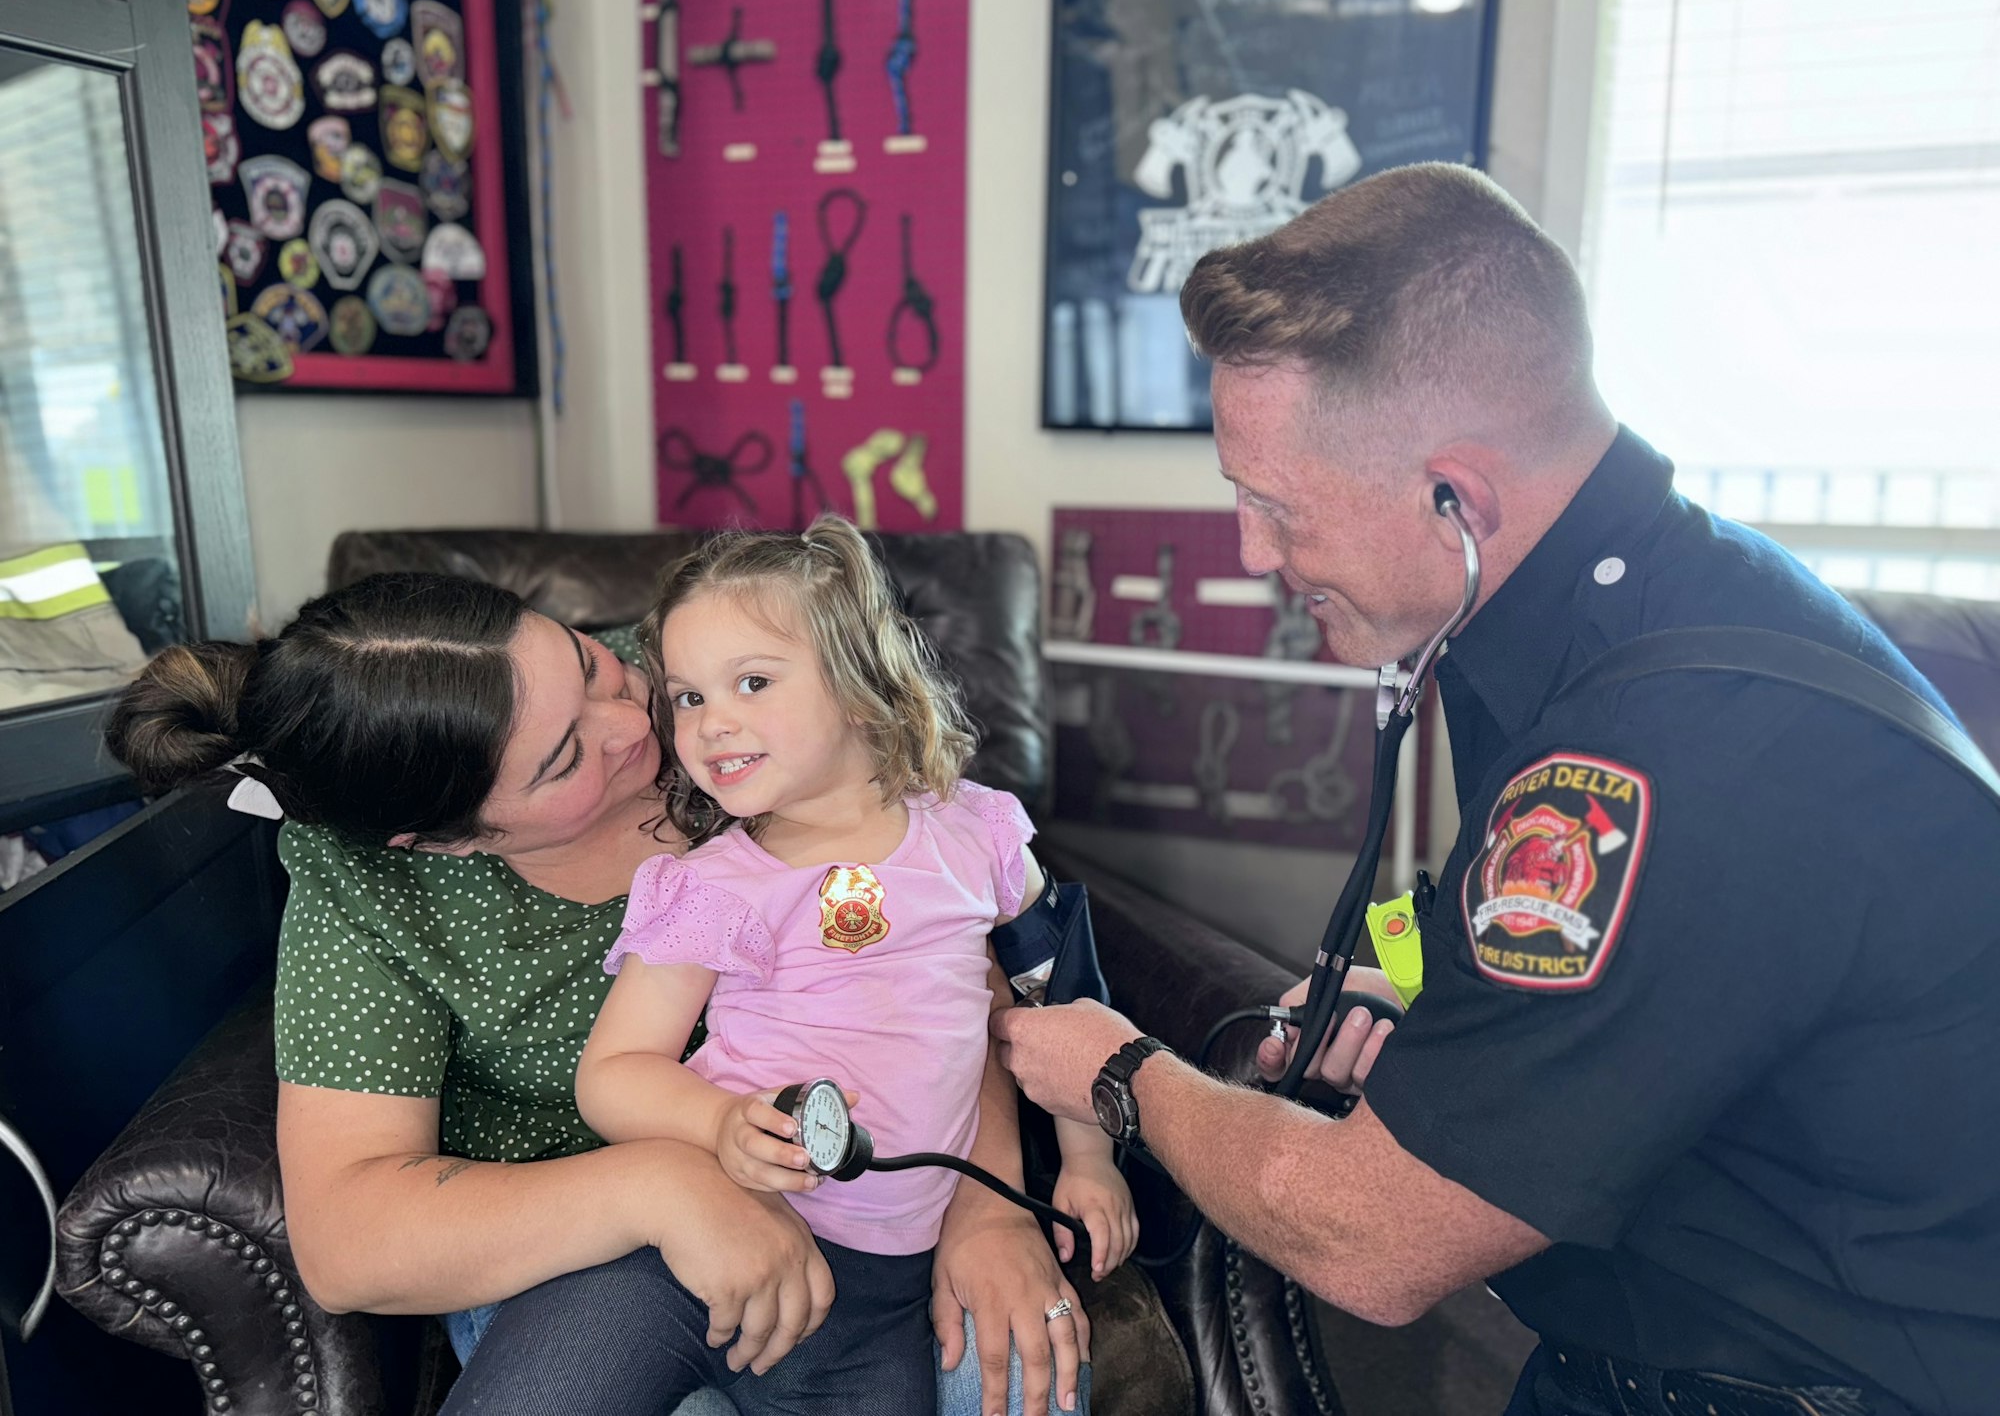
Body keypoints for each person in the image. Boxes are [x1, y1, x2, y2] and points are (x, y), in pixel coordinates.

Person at [993, 162, 2000, 1416]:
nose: (1253, 552)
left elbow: (1375, 1243)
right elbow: (1600, 954)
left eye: (1273, 506)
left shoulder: (1655, 748)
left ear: (1454, 497)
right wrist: (1423, 988)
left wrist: (1118, 1070)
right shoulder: (1586, 616)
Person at [103, 569, 1093, 1416]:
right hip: (573, 1249)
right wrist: (665, 1184)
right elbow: (348, 1240)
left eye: (586, 663)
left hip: (886, 1198)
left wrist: (988, 1198)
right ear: (447, 841)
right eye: (565, 758)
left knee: (1015, 1373)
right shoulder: (372, 887)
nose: (637, 722)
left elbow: (941, 943)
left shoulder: (714, 676)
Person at [438, 516, 1127, 1414]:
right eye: (686, 698)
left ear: (856, 683)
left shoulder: (979, 832)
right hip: (693, 1255)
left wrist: (1088, 1156)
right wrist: (721, 1124)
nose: (712, 725)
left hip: (872, 1308)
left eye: (752, 683)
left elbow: (1057, 995)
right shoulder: (714, 885)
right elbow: (613, 1075)